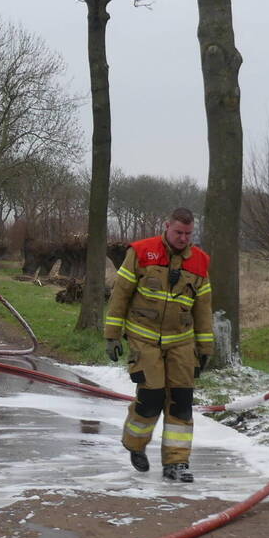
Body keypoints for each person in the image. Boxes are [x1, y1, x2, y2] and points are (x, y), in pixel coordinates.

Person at [103, 207, 214, 483]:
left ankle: (177, 463)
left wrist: (205, 348)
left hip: (181, 342)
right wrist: (112, 335)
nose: (183, 238)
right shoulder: (141, 252)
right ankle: (135, 443)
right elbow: (120, 296)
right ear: (167, 226)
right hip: (144, 337)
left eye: (188, 234)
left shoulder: (200, 262)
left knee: (181, 402)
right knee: (151, 397)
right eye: (178, 232)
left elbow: (203, 308)